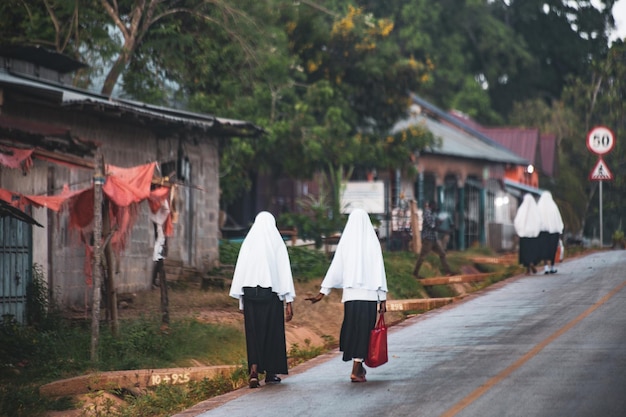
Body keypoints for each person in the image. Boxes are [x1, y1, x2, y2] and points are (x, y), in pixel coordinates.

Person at [306, 208, 387, 383]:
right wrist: (383, 300)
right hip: (370, 296)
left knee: (354, 330)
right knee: (365, 332)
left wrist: (323, 292)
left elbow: (335, 269)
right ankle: (356, 369)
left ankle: (358, 367)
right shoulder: (372, 243)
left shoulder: (346, 244)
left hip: (351, 296)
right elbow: (379, 271)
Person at [229, 211, 296, 388]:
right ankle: (270, 372)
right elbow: (284, 272)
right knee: (272, 333)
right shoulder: (276, 243)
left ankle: (253, 370)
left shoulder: (248, 243)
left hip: (251, 295)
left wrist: (241, 302)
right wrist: (288, 301)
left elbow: (241, 272)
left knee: (253, 333)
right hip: (272, 296)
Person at [413, 200, 453, 278]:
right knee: (422, 256)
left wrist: (439, 222)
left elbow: (435, 225)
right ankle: (415, 273)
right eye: (435, 206)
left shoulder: (431, 214)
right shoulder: (427, 214)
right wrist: (445, 230)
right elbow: (433, 227)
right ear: (431, 206)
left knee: (442, 254)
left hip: (433, 239)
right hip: (428, 239)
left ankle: (448, 271)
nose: (436, 208)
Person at [536, 191, 564, 274]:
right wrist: (560, 231)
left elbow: (536, 220)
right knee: (552, 250)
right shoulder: (553, 207)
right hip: (553, 233)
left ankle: (545, 268)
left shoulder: (539, 207)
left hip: (542, 232)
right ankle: (552, 266)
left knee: (544, 250)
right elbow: (558, 220)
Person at [513, 193, 541, 274]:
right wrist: (536, 230)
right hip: (533, 235)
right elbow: (539, 221)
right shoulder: (535, 210)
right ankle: (532, 263)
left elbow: (517, 221)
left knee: (525, 251)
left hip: (524, 234)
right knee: (532, 250)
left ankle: (527, 268)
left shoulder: (522, 209)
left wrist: (519, 230)